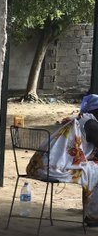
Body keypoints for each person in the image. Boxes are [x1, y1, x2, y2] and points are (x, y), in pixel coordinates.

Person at [26, 94, 98, 225]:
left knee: (93, 168)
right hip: (53, 169)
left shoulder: (80, 119)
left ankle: (92, 214)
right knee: (96, 171)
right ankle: (93, 216)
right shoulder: (91, 124)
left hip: (38, 166)